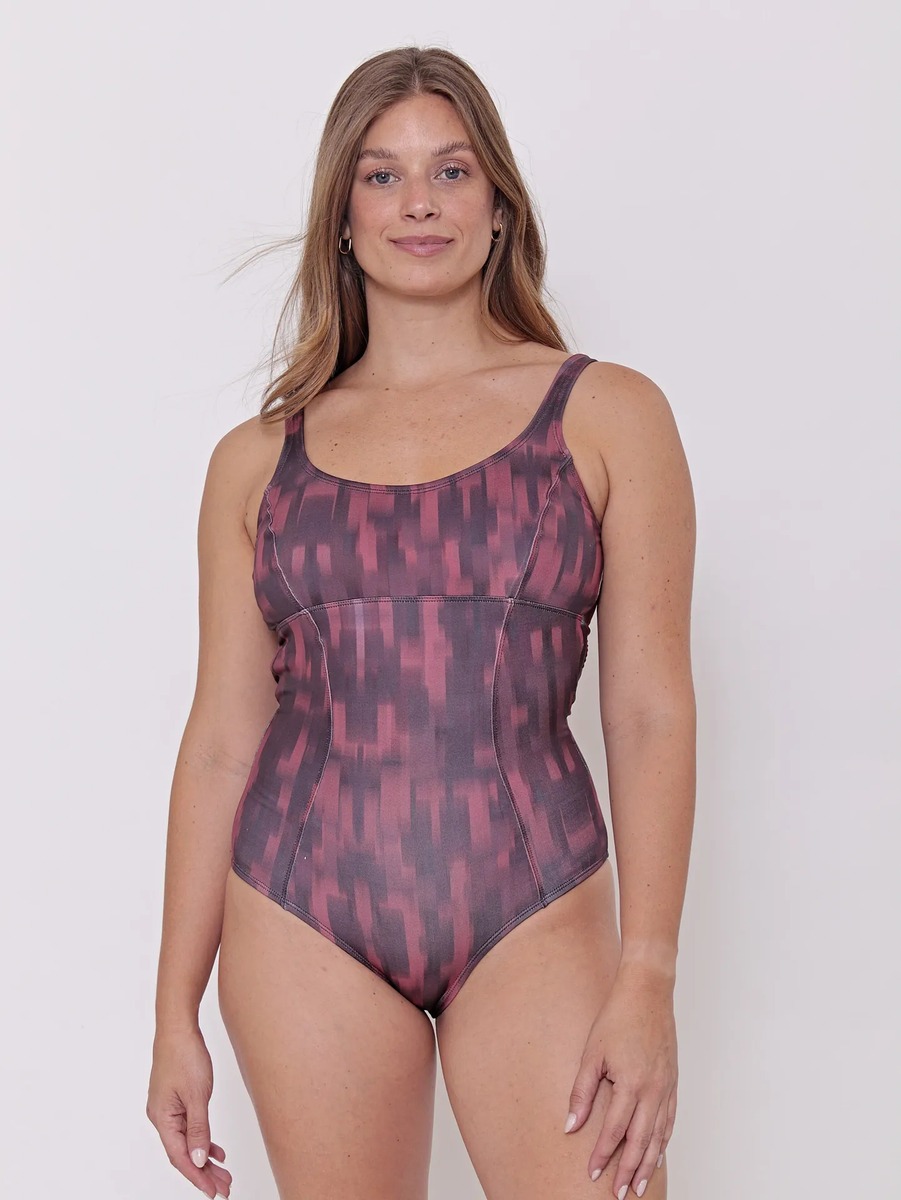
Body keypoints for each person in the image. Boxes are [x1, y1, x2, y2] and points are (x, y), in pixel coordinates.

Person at [146, 44, 696, 1200]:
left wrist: (647, 976)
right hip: (298, 912)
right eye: (382, 176)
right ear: (342, 218)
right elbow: (222, 742)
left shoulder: (607, 416)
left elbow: (648, 709)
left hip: (535, 905)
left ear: (498, 205)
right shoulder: (256, 461)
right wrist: (172, 1013)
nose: (418, 203)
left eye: (450, 171)